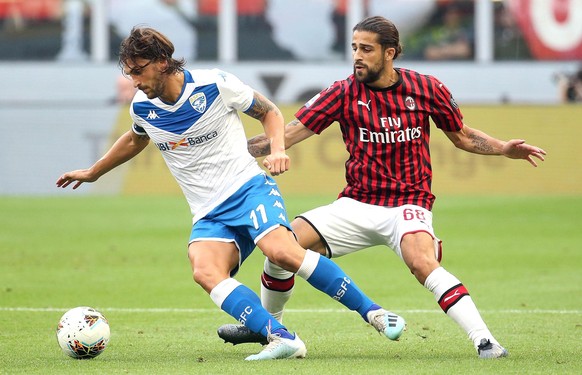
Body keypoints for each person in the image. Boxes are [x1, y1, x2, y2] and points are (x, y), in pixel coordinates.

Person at [56, 26, 406, 361]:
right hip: (209, 212)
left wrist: (278, 148)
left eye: (138, 71)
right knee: (205, 270)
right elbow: (135, 138)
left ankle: (374, 313)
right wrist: (93, 172)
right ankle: (282, 338)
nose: (133, 80)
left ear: (162, 62)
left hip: (248, 189)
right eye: (129, 72)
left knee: (281, 251)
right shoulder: (142, 107)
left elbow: (268, 111)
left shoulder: (214, 84)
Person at [217, 16, 547, 359]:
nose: (357, 56)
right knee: (280, 247)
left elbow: (462, 135)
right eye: (354, 48)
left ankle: (485, 341)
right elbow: (286, 134)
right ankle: (269, 329)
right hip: (356, 203)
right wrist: (226, 151)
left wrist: (503, 148)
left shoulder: (427, 88)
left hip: (408, 205)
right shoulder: (342, 92)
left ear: (390, 53)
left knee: (423, 263)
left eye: (366, 49)